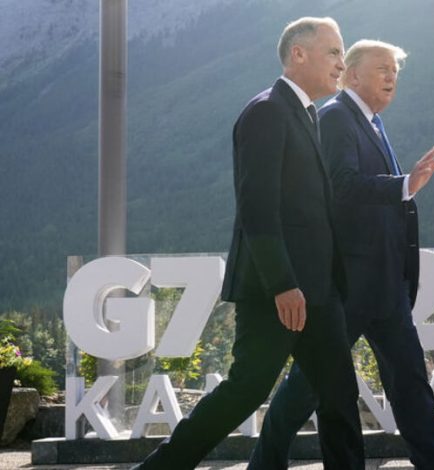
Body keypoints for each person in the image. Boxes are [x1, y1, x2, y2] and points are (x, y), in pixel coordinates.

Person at [134, 17, 364, 470]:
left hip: (318, 293)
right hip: (278, 292)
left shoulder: (304, 113)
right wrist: (283, 284)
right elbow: (258, 209)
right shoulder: (266, 112)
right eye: (334, 52)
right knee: (246, 390)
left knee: (339, 393)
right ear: (298, 54)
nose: (342, 63)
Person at [251, 39, 434, 470]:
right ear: (352, 74)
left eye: (395, 71)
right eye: (382, 68)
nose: (391, 77)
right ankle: (263, 464)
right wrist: (404, 186)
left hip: (386, 288)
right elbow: (341, 185)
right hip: (345, 288)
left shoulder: (372, 122)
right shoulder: (335, 117)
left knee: (412, 388)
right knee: (306, 388)